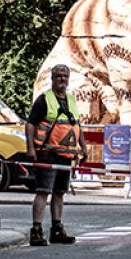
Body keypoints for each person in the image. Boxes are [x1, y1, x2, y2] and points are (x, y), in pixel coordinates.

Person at [26, 63, 81, 246]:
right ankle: (36, 230)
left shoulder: (71, 100)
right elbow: (30, 124)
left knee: (59, 192)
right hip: (47, 153)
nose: (62, 79)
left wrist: (82, 147)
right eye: (58, 76)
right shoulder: (44, 100)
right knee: (43, 191)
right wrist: (30, 149)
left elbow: (76, 125)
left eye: (65, 76)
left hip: (65, 155)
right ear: (52, 78)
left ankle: (57, 229)